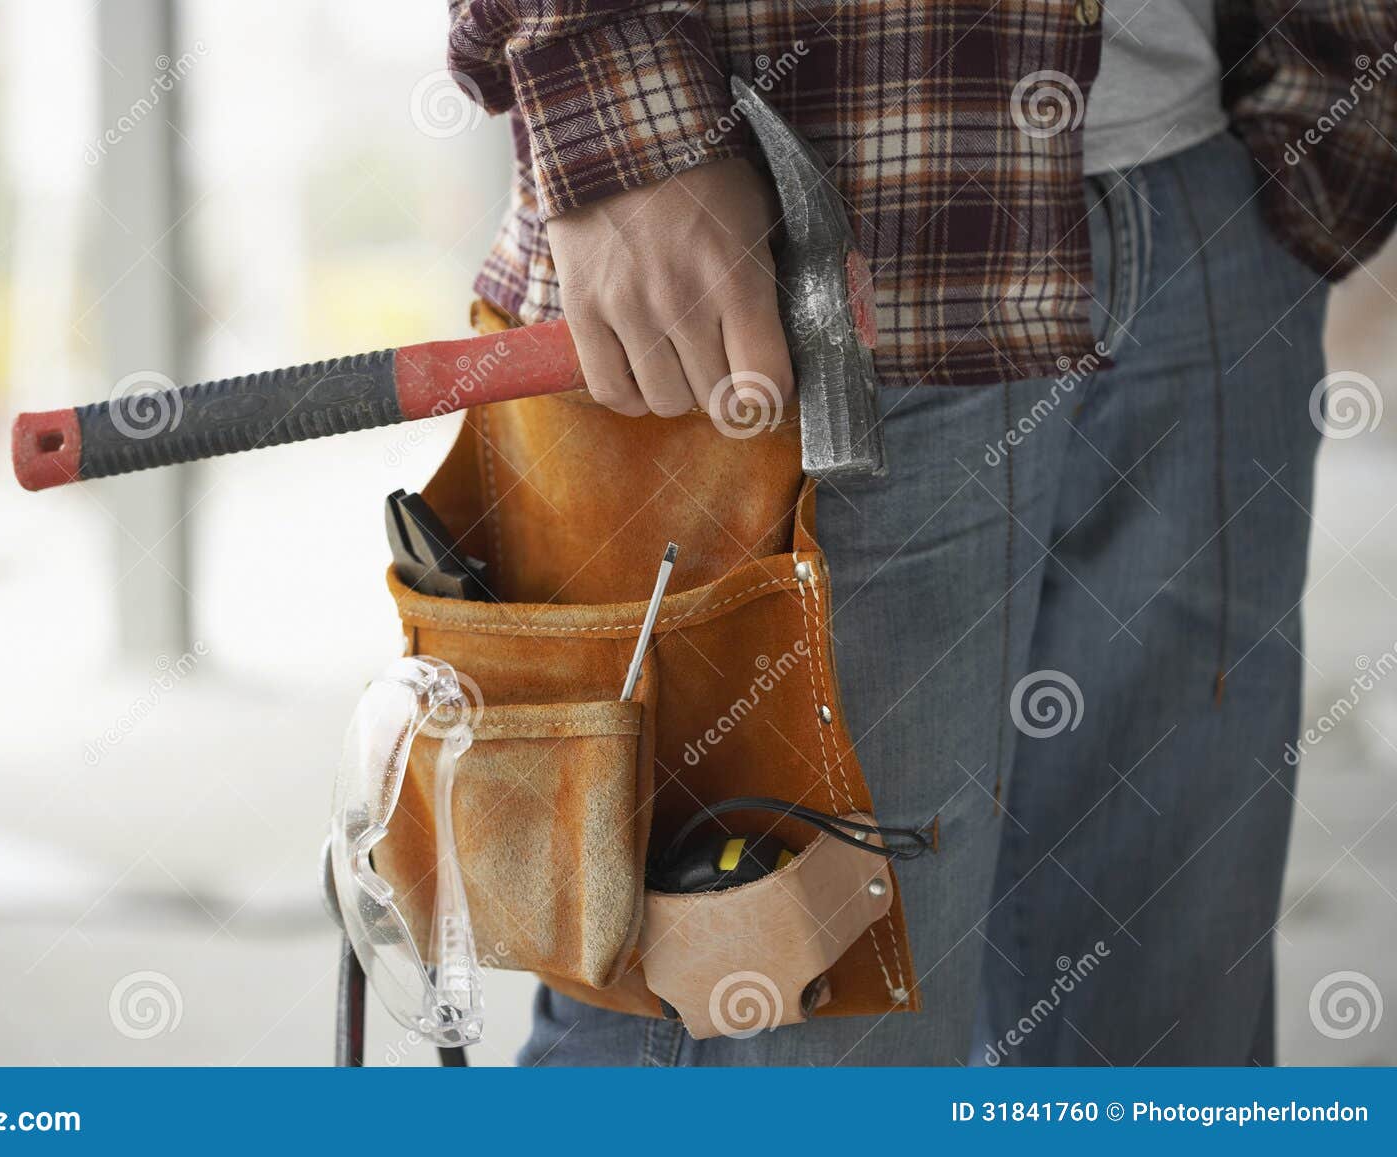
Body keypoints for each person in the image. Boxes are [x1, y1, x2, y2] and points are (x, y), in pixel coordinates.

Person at [446, 0, 1397, 1065]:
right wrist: (622, 121)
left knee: (1170, 1058)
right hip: (776, 245)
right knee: (769, 1032)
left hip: (1209, 200)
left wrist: (1341, 114)